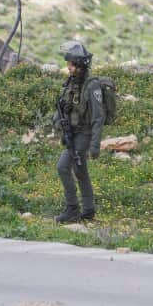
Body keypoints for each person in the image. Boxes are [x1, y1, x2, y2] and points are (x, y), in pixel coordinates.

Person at [53, 40, 104, 223]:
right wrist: (58, 122)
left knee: (62, 166)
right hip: (72, 133)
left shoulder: (92, 85)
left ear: (80, 65)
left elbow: (98, 117)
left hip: (84, 133)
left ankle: (72, 209)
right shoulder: (70, 82)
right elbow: (61, 107)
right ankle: (88, 210)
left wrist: (95, 146)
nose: (68, 67)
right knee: (80, 171)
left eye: (71, 64)